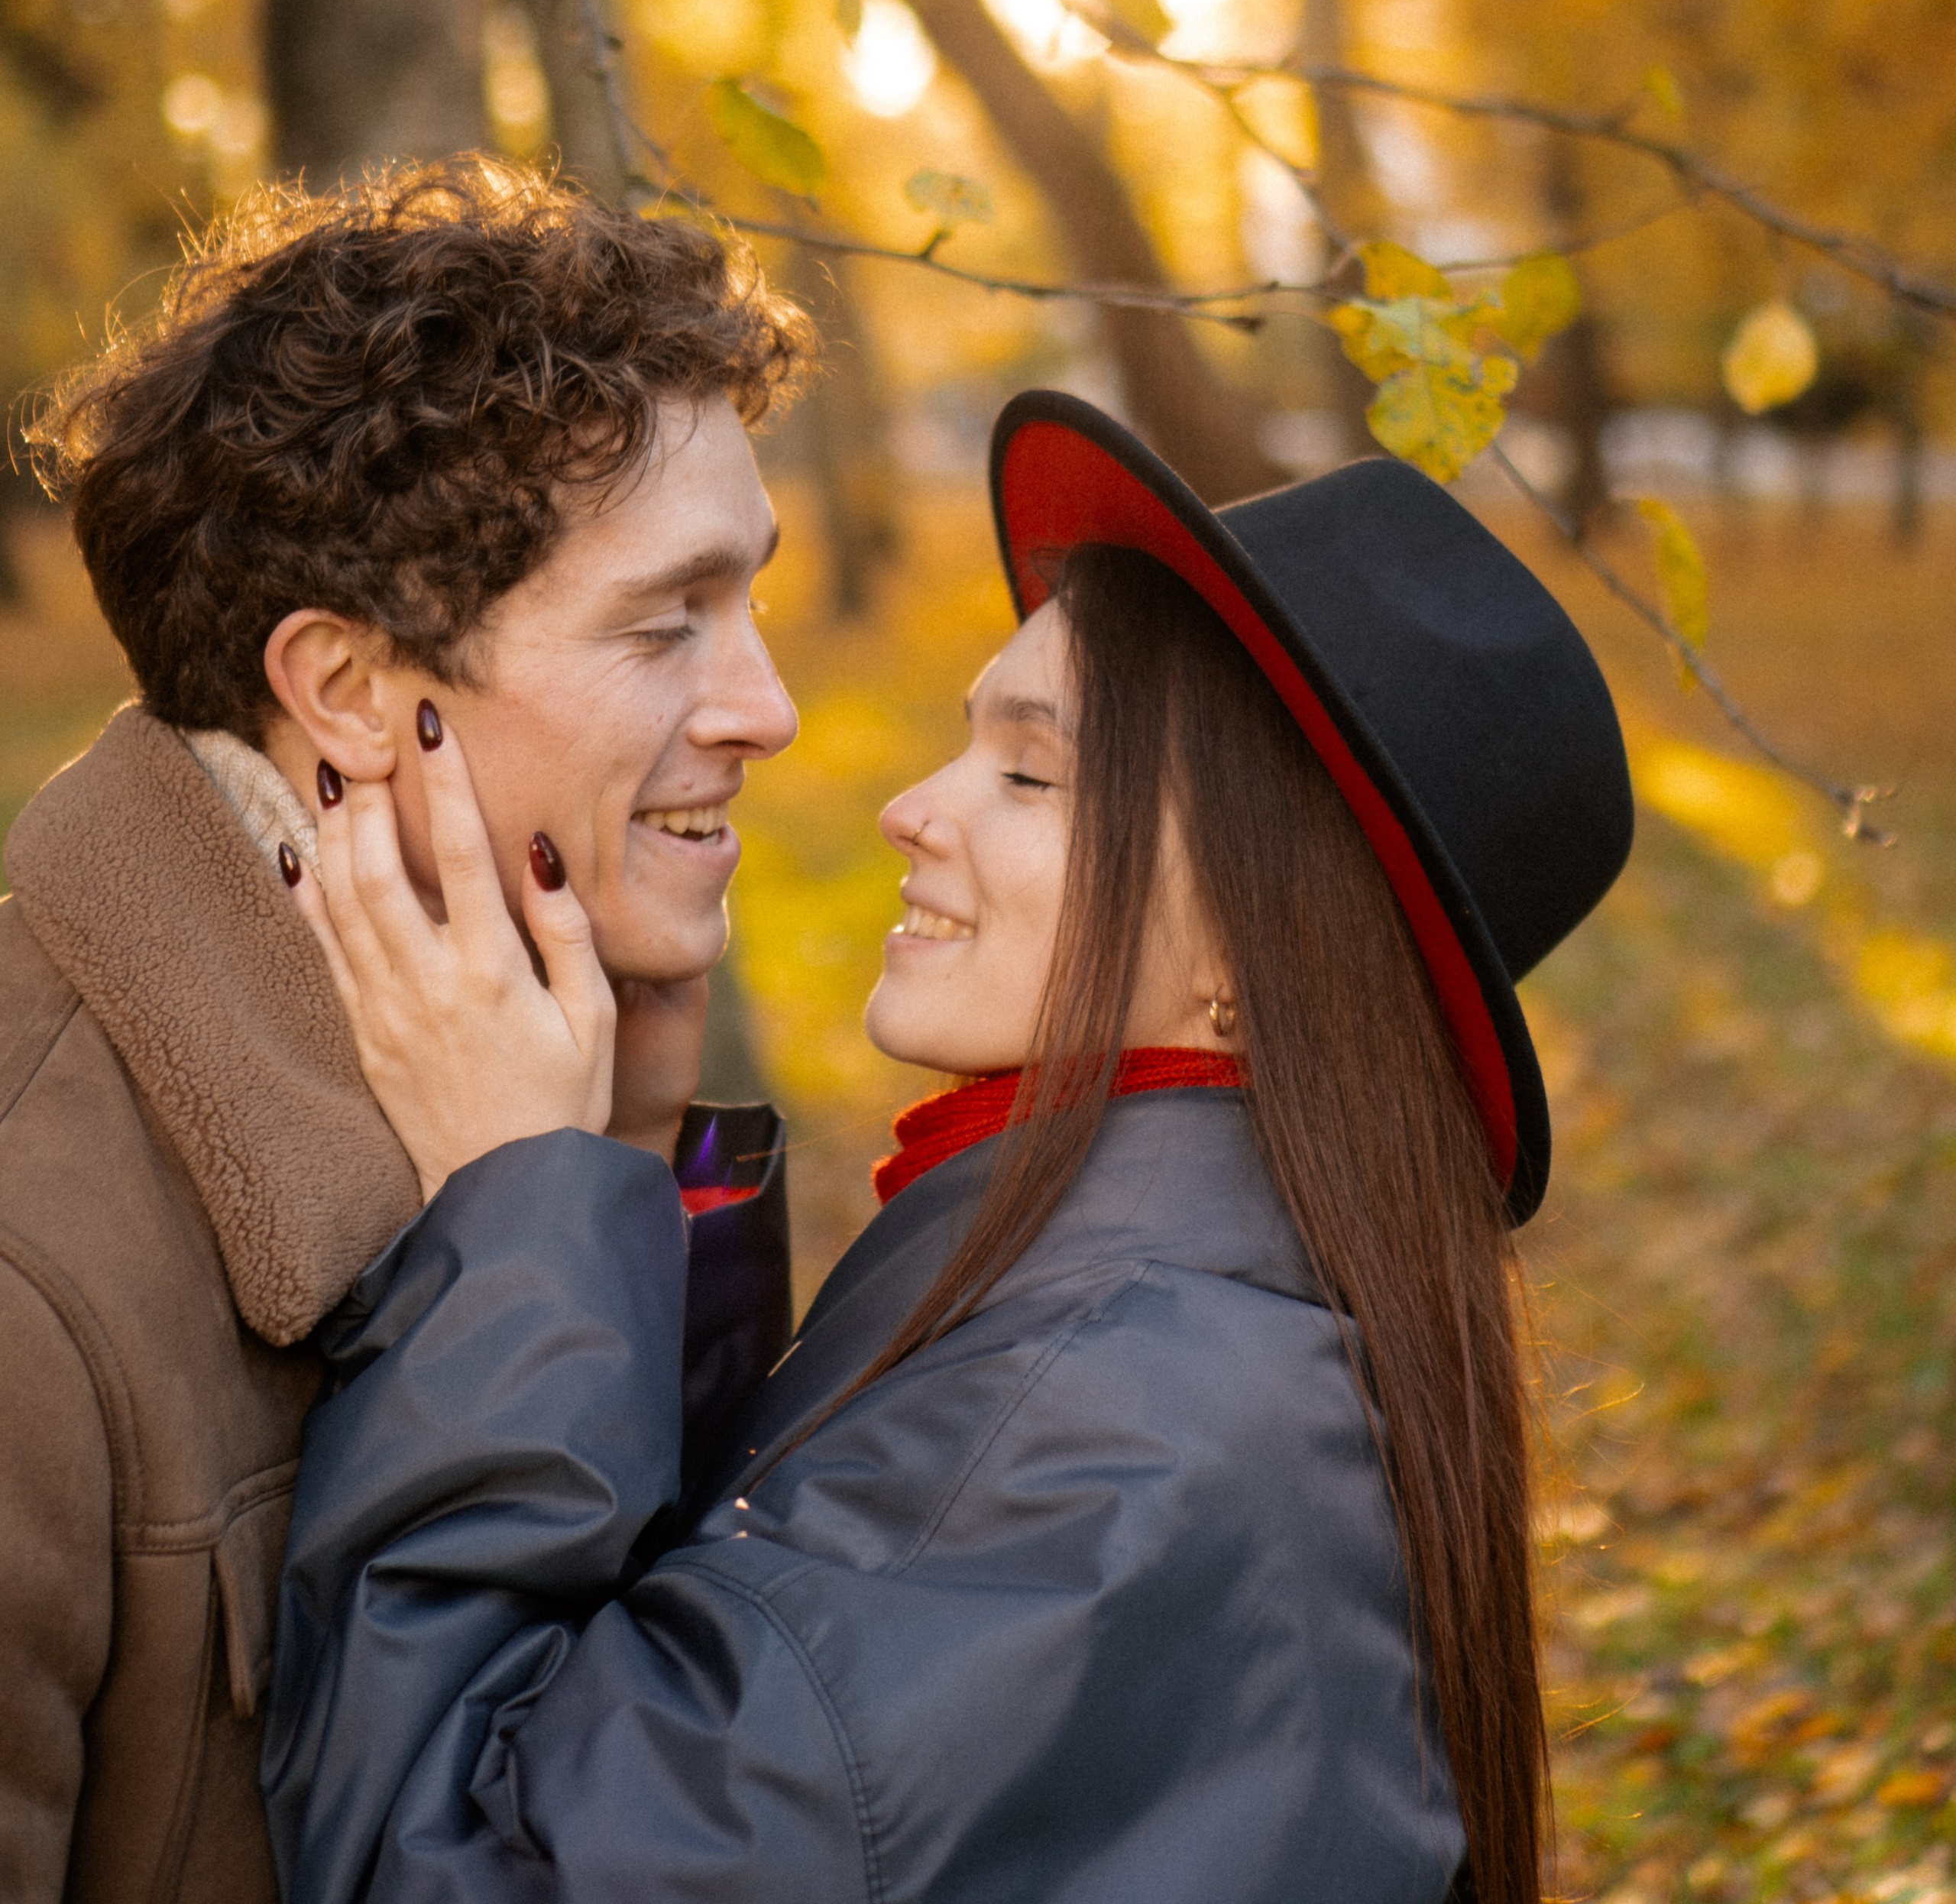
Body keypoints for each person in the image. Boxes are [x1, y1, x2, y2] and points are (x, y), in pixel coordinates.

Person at [265, 389, 1635, 1904]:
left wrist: (513, 1224)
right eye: (966, 744)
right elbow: (740, 1680)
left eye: (1031, 775)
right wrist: (632, 1163)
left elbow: (456, 1866)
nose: (910, 809)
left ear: (1259, 957)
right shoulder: (1166, 1316)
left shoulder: (1096, 1432)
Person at [0, 160, 811, 1903]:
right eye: (665, 625)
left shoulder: (559, 1084)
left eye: (750, 604)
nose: (771, 710)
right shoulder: (29, 1282)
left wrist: (612, 1184)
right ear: (353, 694)